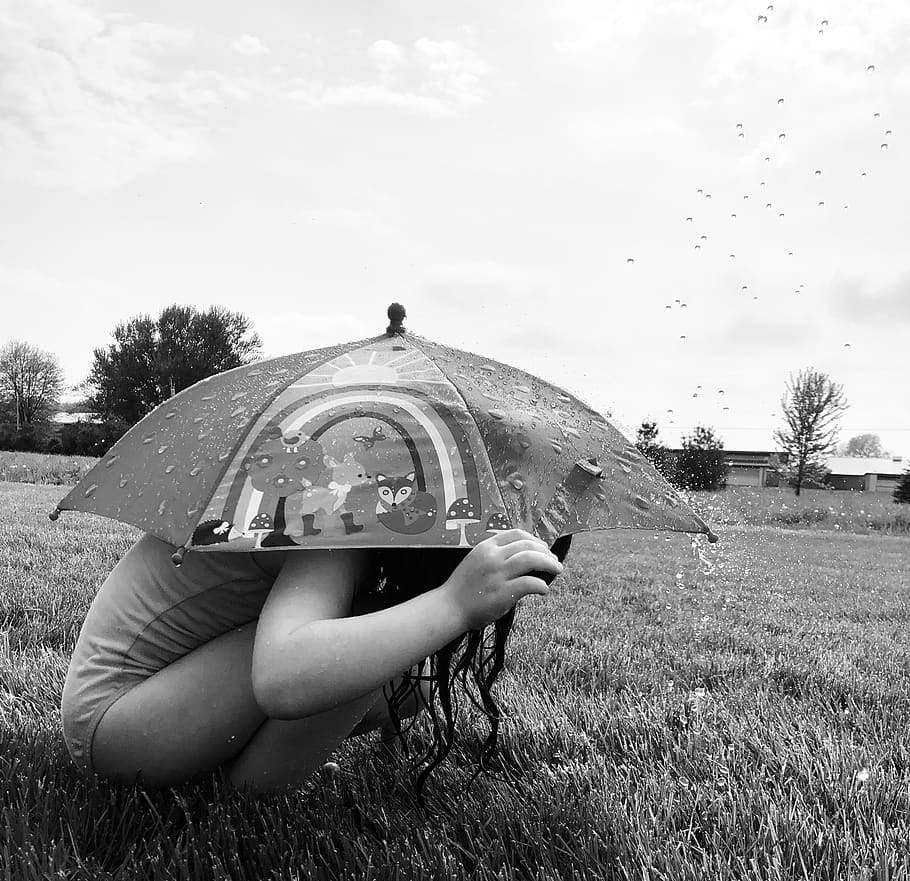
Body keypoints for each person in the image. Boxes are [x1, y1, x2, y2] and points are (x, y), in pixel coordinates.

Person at [60, 527, 571, 795]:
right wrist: (452, 603)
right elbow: (284, 676)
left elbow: (405, 689)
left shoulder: (343, 512)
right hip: (120, 729)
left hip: (141, 714)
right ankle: (251, 788)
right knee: (361, 636)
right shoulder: (333, 528)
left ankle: (230, 760)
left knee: (395, 670)